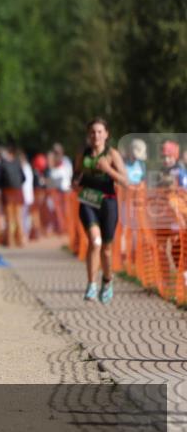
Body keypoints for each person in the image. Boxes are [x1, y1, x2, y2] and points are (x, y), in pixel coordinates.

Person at [74, 117, 129, 304]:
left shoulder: (112, 154)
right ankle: (91, 284)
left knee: (106, 249)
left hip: (108, 204)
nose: (95, 135)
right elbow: (76, 175)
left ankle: (107, 280)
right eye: (92, 132)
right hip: (88, 202)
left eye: (99, 132)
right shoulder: (83, 153)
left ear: (106, 134)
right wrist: (75, 184)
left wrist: (108, 169)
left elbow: (125, 181)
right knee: (95, 242)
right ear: (88, 135)